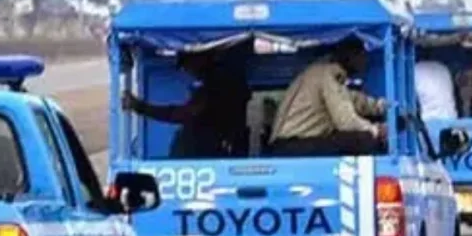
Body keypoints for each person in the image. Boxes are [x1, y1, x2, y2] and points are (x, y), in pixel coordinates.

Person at [268, 37, 387, 157]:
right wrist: (374, 130)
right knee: (362, 139)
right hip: (292, 146)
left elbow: (352, 100)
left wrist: (380, 106)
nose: (365, 60)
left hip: (288, 144)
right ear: (350, 56)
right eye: (361, 55)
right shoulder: (328, 74)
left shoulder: (323, 73)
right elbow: (345, 121)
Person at [121, 49, 251, 159]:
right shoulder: (220, 80)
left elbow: (184, 114)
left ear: (199, 59)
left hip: (206, 155)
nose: (187, 70)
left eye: (185, 65)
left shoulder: (218, 83)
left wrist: (141, 107)